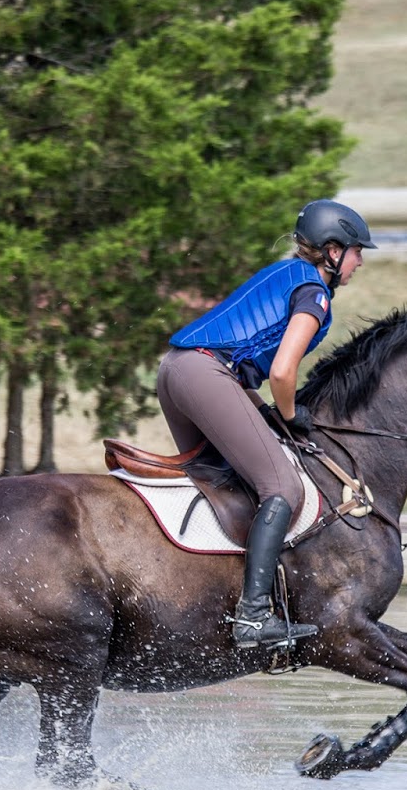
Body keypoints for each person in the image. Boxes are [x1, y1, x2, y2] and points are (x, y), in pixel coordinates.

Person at [157, 199, 376, 648]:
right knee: (284, 488)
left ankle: (204, 597)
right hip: (206, 373)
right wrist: (291, 416)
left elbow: (243, 360)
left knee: (227, 483)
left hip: (178, 371)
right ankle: (253, 617)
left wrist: (266, 413)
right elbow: (282, 372)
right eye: (357, 251)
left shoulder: (285, 273)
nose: (359, 262)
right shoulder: (313, 291)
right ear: (333, 252)